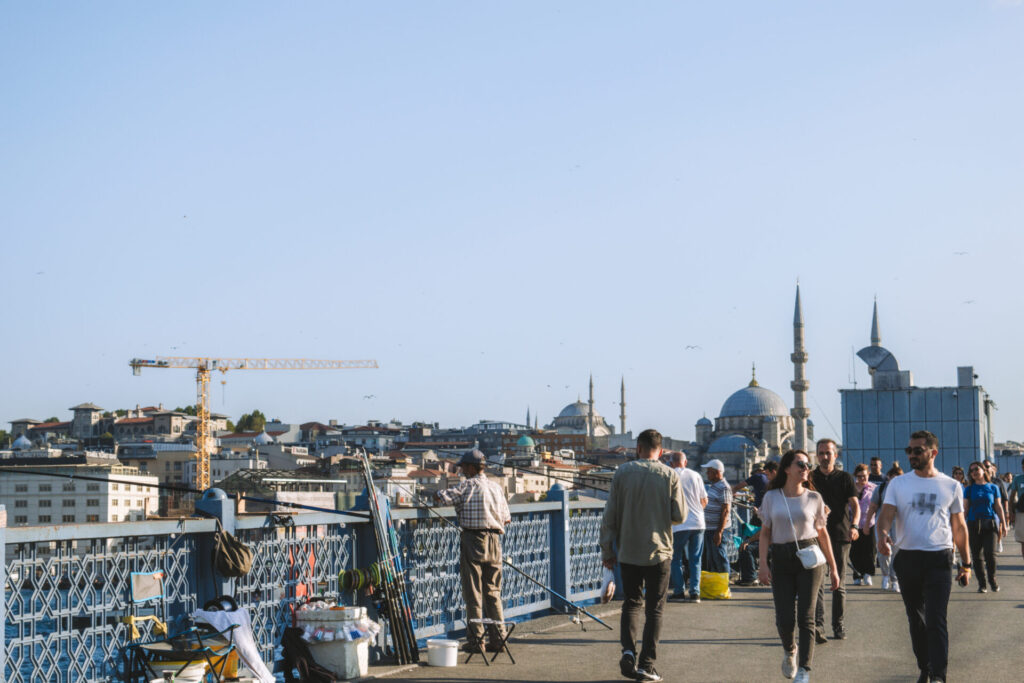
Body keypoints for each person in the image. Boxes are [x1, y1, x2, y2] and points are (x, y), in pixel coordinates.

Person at [876, 430, 971, 683]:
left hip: (939, 558)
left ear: (933, 452)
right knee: (915, 618)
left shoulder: (951, 485)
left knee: (936, 618)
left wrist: (967, 563)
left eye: (917, 450)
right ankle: (925, 667)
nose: (912, 455)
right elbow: (885, 515)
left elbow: (959, 527)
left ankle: (939, 675)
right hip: (907, 558)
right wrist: (882, 535)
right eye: (909, 450)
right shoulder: (899, 483)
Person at [601, 429, 686, 682]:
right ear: (660, 452)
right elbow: (680, 515)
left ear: (637, 448)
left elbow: (610, 516)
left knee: (631, 603)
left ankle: (628, 651)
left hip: (628, 551)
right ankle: (646, 664)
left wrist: (608, 550)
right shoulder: (669, 474)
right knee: (655, 610)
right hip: (659, 552)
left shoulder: (622, 473)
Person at [758, 449, 840, 683]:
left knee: (806, 617)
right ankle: (789, 650)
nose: (806, 468)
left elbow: (823, 536)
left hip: (810, 557)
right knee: (784, 618)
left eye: (807, 465)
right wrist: (763, 564)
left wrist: (833, 568)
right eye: (800, 464)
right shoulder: (772, 497)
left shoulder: (814, 498)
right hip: (781, 557)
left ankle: (804, 669)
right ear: (787, 469)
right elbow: (765, 534)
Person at [434, 449, 512, 653]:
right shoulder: (496, 488)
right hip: (495, 540)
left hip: (473, 540)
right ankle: (500, 639)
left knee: (473, 592)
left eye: (463, 467)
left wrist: (432, 493)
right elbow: (506, 518)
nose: (461, 470)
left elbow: (443, 498)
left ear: (470, 467)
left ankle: (477, 640)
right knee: (493, 592)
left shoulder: (467, 486)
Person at [810, 439, 859, 642]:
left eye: (828, 453)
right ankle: (818, 626)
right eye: (821, 453)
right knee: (818, 583)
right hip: (815, 535)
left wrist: (855, 526)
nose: (824, 457)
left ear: (835, 455)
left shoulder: (845, 478)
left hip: (840, 534)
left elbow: (855, 504)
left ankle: (838, 625)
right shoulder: (811, 477)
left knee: (838, 582)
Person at [668, 451, 707, 602]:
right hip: (698, 522)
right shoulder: (696, 475)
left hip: (679, 524)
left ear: (671, 463)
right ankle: (695, 593)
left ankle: (679, 591)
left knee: (675, 558)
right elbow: (704, 500)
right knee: (695, 558)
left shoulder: (670, 474)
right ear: (685, 462)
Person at [963, 461, 1007, 593]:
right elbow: (965, 508)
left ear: (983, 470)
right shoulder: (969, 489)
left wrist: (1004, 523)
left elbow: (998, 507)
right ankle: (982, 584)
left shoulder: (993, 487)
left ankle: (992, 579)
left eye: (976, 469)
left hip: (990, 524)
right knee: (976, 556)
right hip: (973, 524)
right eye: (971, 471)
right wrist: (961, 526)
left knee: (990, 554)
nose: (974, 472)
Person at [865, 463, 903, 592]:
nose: (895, 479)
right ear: (888, 477)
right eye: (893, 476)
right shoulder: (880, 489)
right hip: (882, 523)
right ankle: (885, 575)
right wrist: (866, 523)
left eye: (899, 476)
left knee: (896, 552)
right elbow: (873, 506)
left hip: (899, 523)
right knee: (882, 551)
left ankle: (895, 579)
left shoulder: (905, 489)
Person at [702, 459, 733, 579]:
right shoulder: (715, 486)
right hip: (710, 529)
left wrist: (719, 532)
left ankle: (724, 584)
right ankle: (716, 585)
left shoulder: (724, 487)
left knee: (720, 557)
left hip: (718, 530)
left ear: (717, 472)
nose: (707, 474)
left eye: (709, 471)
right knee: (713, 558)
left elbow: (725, 510)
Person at [850, 464, 877, 586]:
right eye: (859, 476)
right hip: (854, 524)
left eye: (864, 476)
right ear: (856, 476)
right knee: (855, 552)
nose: (862, 479)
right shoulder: (851, 488)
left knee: (870, 551)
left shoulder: (874, 488)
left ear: (868, 475)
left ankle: (868, 574)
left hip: (869, 523)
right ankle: (857, 575)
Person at [983, 461, 1009, 553]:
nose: (985, 468)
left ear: (992, 468)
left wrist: (1006, 511)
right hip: (985, 510)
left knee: (998, 528)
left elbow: (1005, 497)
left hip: (997, 509)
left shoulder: (998, 481)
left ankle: (999, 541)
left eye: (987, 466)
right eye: (984, 466)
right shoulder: (980, 480)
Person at [1009, 456, 1024, 562]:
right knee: (1023, 541)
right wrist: (1011, 512)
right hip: (1021, 513)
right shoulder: (1018, 479)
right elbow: (1012, 496)